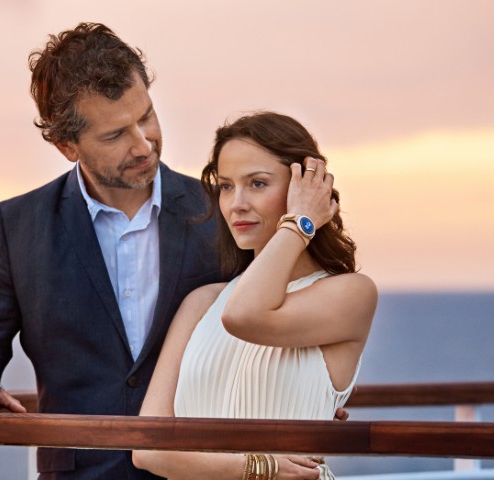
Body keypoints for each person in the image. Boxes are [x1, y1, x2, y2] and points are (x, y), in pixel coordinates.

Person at [0, 22, 228, 479]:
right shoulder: (16, 227)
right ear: (66, 145)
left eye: (145, 116)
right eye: (115, 136)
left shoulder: (222, 212)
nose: (143, 144)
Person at [132, 112, 378, 480]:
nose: (237, 204)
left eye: (258, 184)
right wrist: (261, 466)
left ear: (306, 187)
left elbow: (245, 316)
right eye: (227, 186)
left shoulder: (350, 294)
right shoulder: (201, 302)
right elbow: (147, 449)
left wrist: (301, 222)